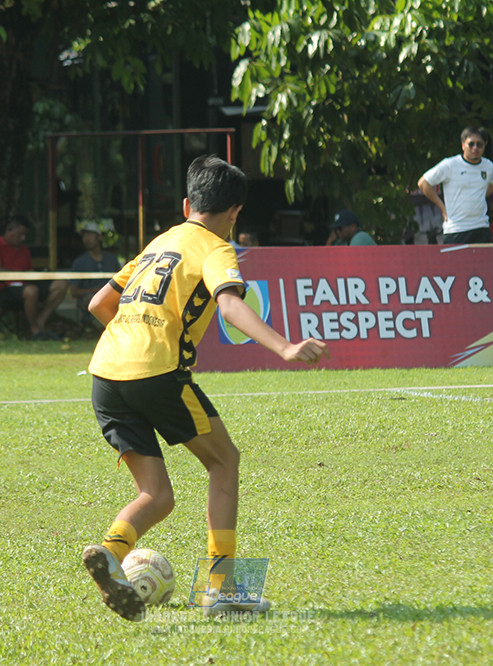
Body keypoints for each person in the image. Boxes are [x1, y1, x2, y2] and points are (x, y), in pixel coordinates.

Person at [80, 155, 329, 622]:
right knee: (224, 460)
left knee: (157, 495)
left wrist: (134, 339)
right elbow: (230, 306)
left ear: (187, 204)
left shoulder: (160, 243)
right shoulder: (216, 248)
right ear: (235, 212)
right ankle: (221, 590)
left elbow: (98, 303)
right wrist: (285, 347)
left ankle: (111, 553)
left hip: (105, 375)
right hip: (157, 374)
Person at [0, 214, 68, 340]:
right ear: (9, 230)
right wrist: (19, 273)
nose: (23, 238)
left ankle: (40, 321)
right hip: (3, 289)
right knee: (31, 291)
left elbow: (29, 270)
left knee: (61, 284)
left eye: (25, 235)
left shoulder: (24, 249)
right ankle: (34, 330)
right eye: (20, 234)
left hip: (27, 284)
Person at [417, 126, 493, 244]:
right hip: (456, 230)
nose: (475, 148)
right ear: (463, 145)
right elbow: (423, 183)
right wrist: (442, 207)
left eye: (479, 144)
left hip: (481, 228)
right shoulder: (450, 165)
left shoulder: (489, 166)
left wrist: (478, 197)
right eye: (471, 144)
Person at [69, 221, 122, 332]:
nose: (86, 239)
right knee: (93, 302)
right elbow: (73, 291)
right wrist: (94, 291)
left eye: (90, 235)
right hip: (89, 299)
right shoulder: (79, 262)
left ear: (99, 237)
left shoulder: (112, 259)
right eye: (84, 236)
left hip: (113, 297)